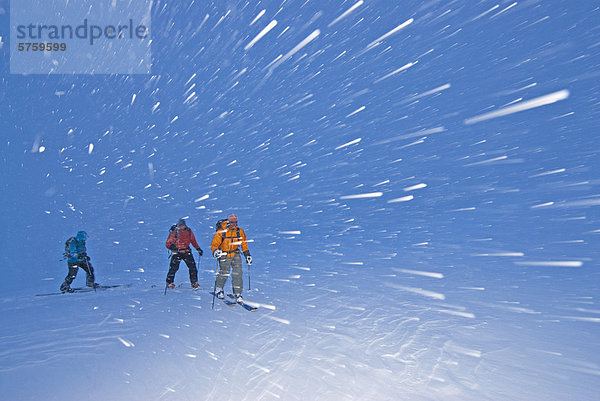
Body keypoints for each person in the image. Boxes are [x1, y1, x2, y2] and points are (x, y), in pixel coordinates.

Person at [211, 214, 252, 303]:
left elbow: (244, 244)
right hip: (224, 254)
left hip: (235, 254)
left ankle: (237, 293)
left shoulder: (240, 231)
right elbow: (214, 244)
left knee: (237, 274)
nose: (234, 224)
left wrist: (247, 255)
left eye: (236, 222)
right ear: (229, 222)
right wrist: (215, 251)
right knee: (224, 273)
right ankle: (219, 289)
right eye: (232, 222)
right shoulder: (221, 232)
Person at [165, 218, 203, 289]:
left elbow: (193, 241)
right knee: (173, 268)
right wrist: (172, 247)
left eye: (182, 225)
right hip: (177, 252)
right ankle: (169, 283)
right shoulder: (175, 232)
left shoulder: (188, 231)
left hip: (186, 252)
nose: (181, 227)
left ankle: (194, 283)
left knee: (192, 268)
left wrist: (198, 248)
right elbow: (168, 243)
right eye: (180, 225)